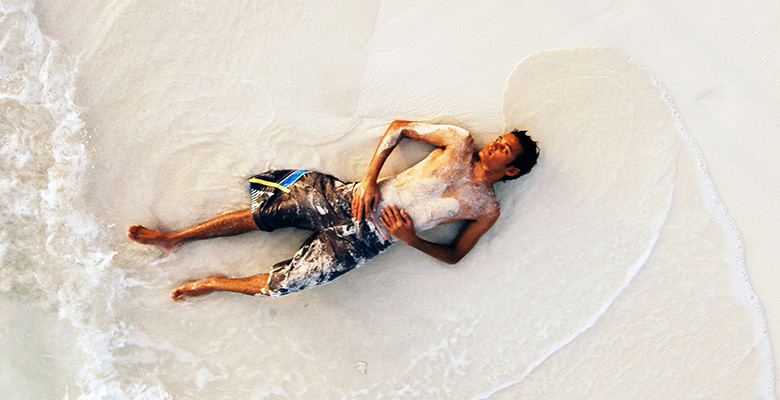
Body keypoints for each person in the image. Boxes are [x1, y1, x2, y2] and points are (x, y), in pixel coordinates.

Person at [127, 120, 539, 300]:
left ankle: (215, 283)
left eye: (505, 148)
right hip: (350, 199)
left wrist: (410, 238)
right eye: (500, 139)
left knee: (287, 285)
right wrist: (371, 179)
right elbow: (398, 127)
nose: (495, 144)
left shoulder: (485, 209)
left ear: (512, 170)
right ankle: (173, 239)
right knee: (268, 215)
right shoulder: (459, 142)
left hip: (368, 242)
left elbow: (455, 255)